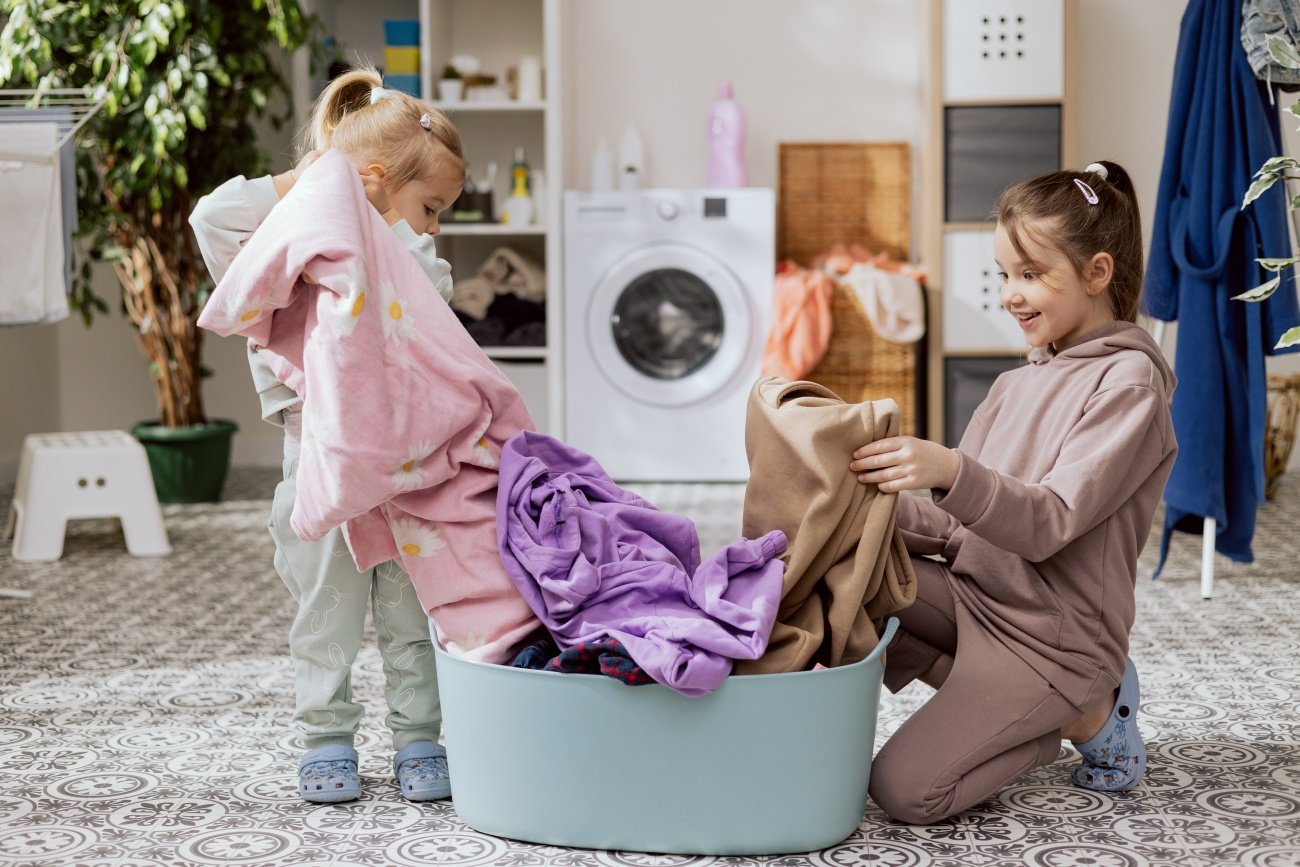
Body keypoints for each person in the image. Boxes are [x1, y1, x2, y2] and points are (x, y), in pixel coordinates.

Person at [849, 161, 1177, 824]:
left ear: (1098, 272)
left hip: (1054, 639)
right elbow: (954, 529)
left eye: (1030, 274)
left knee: (906, 790)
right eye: (1005, 274)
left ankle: (1083, 710)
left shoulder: (1129, 387)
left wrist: (946, 468)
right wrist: (861, 499)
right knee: (851, 568)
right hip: (979, 600)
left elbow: (1049, 521)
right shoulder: (1017, 383)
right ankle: (1035, 705)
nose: (1010, 294)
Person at [189, 67, 465, 804]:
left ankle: (419, 737)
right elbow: (211, 219)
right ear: (374, 181)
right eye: (429, 207)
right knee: (326, 610)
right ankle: (327, 738)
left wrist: (384, 235)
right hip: (316, 467)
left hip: (407, 475)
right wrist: (306, 182)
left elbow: (427, 327)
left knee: (412, 612)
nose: (435, 227)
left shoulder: (421, 264)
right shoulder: (294, 247)